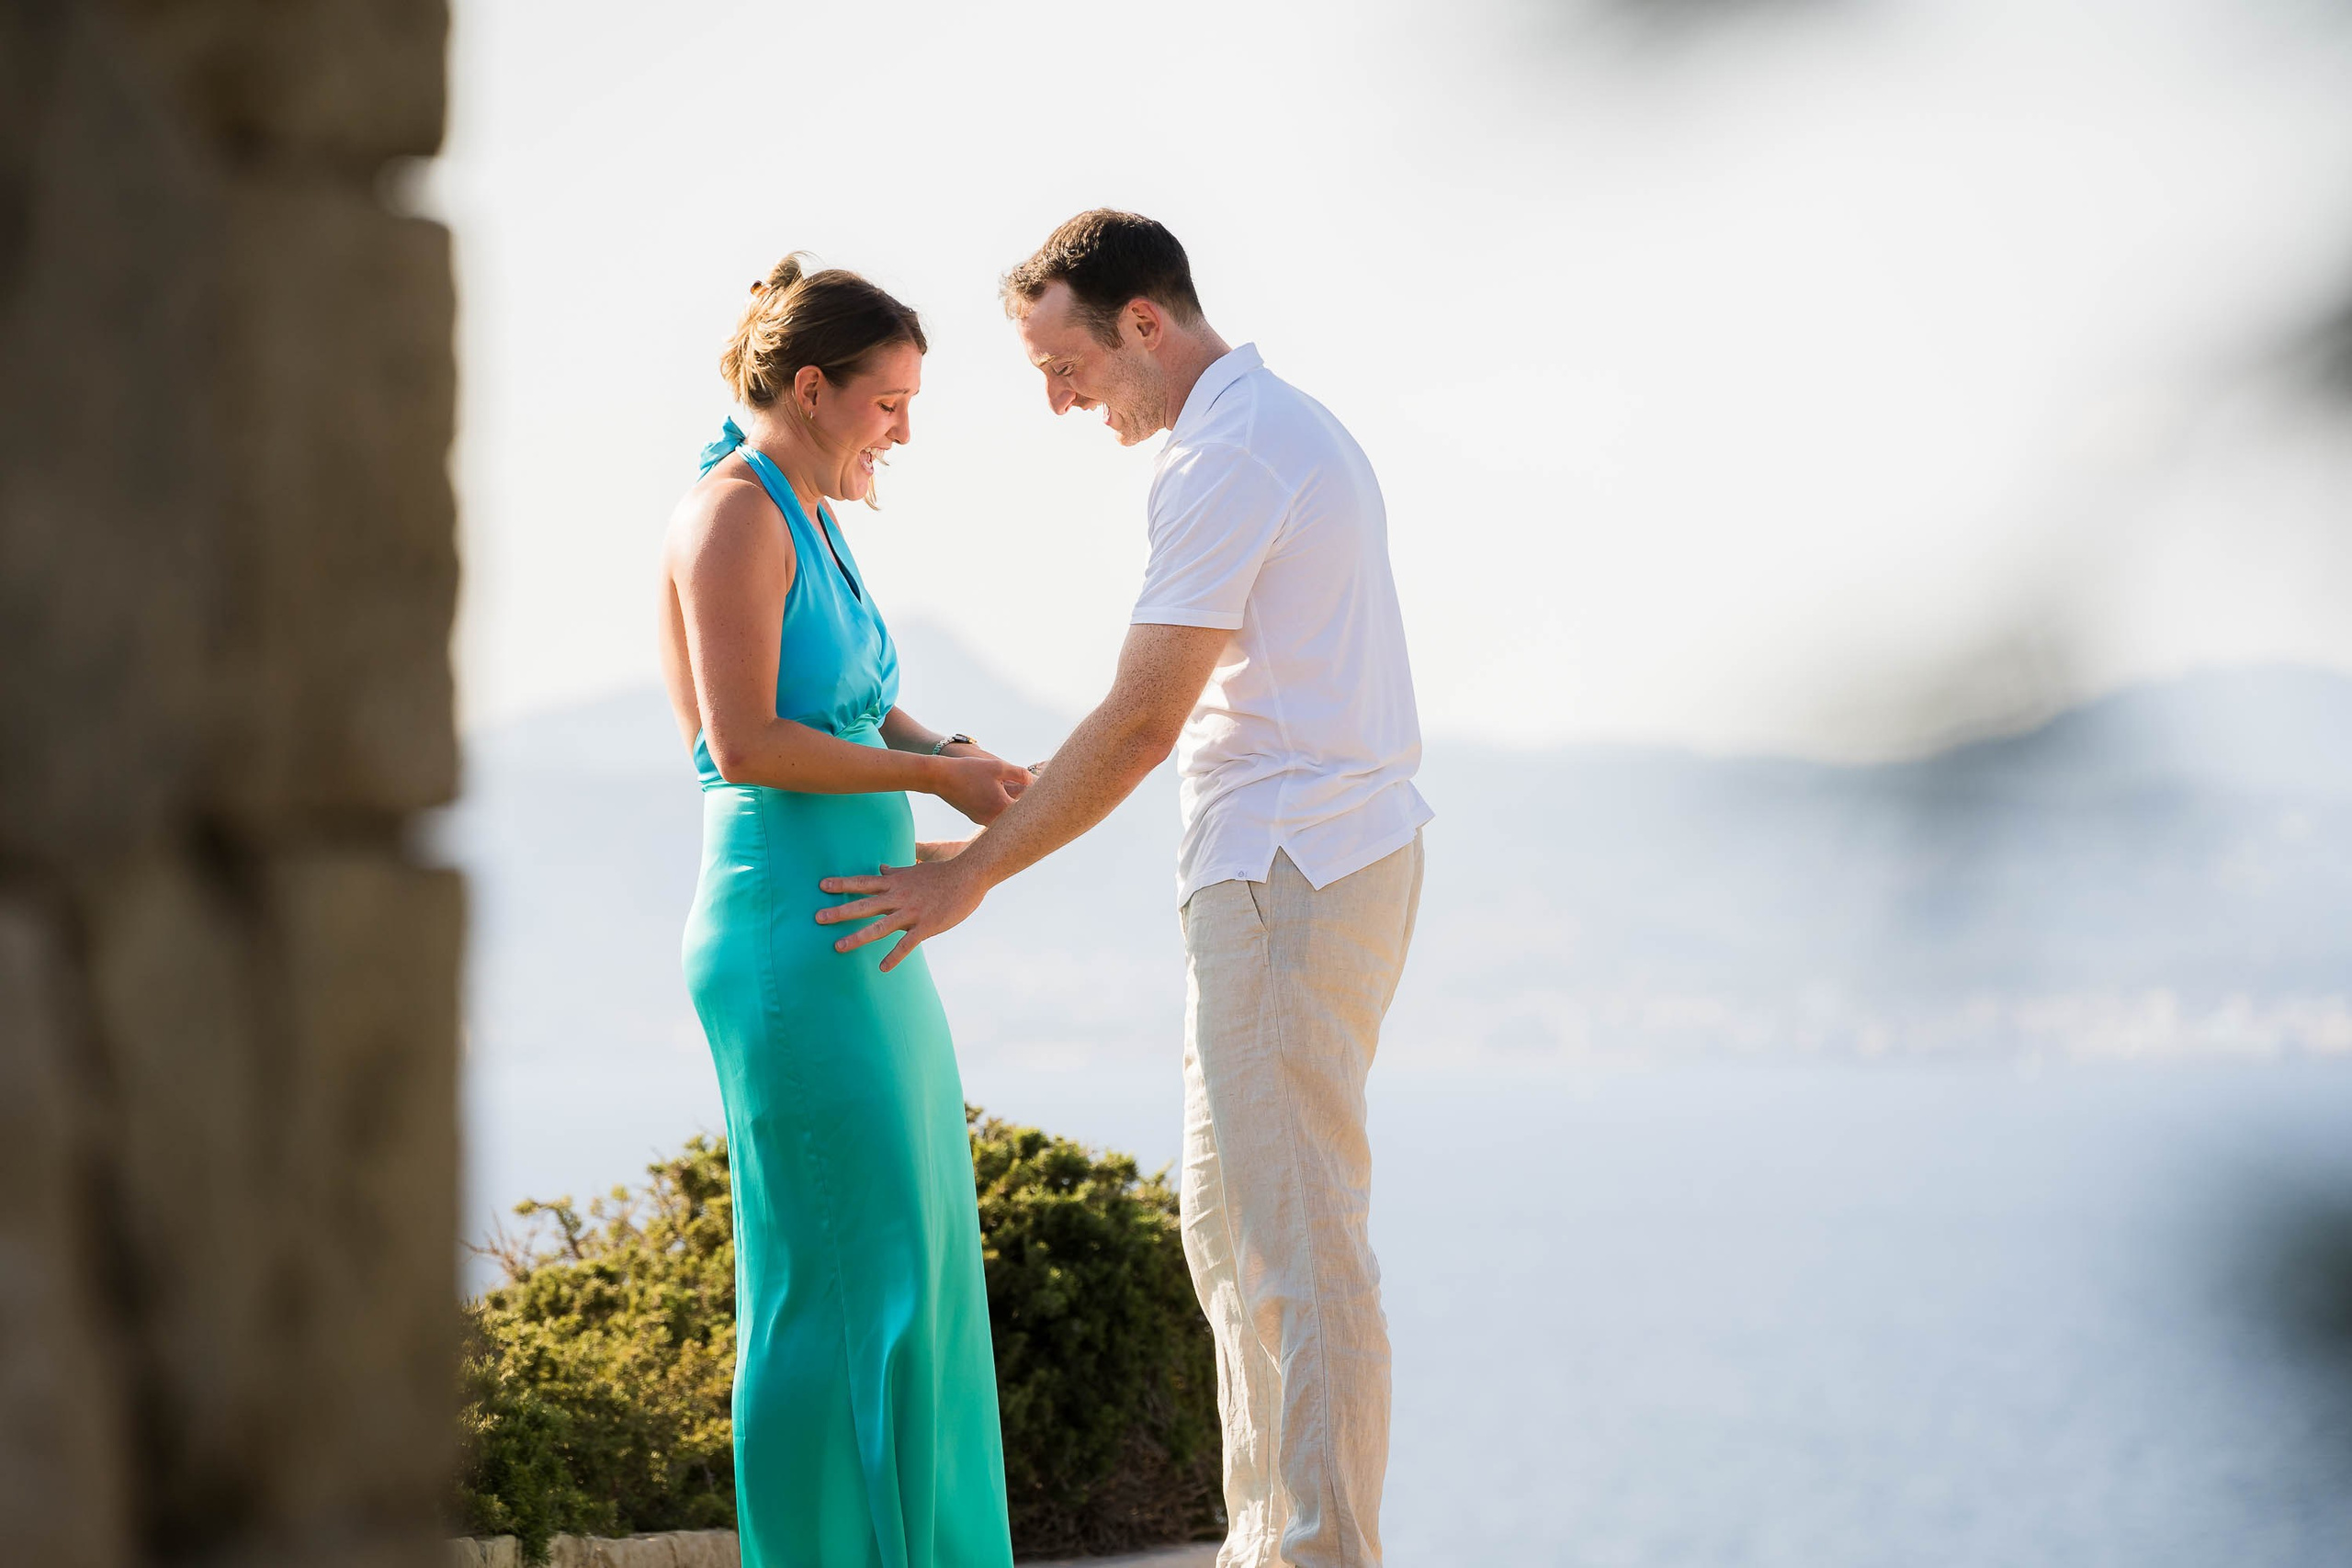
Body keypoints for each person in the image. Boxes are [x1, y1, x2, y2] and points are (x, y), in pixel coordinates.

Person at [817, 210, 1431, 1568]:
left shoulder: (1231, 457)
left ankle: (1318, 1553)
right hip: (1291, 868)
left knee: (1301, 1243)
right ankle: (1269, 1540)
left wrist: (978, 868)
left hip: (1293, 872)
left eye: (1064, 364)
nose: (1057, 400)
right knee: (1230, 1231)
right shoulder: (1266, 432)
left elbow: (1147, 717)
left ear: (1143, 322)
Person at [657, 254, 1029, 1568]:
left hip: (863, 934)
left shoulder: (812, 515)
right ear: (811, 389)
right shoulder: (734, 517)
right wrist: (937, 777)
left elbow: (859, 706)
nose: (905, 432)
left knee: (916, 1266)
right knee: (837, 1282)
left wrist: (968, 762)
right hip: (789, 940)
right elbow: (748, 742)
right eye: (888, 402)